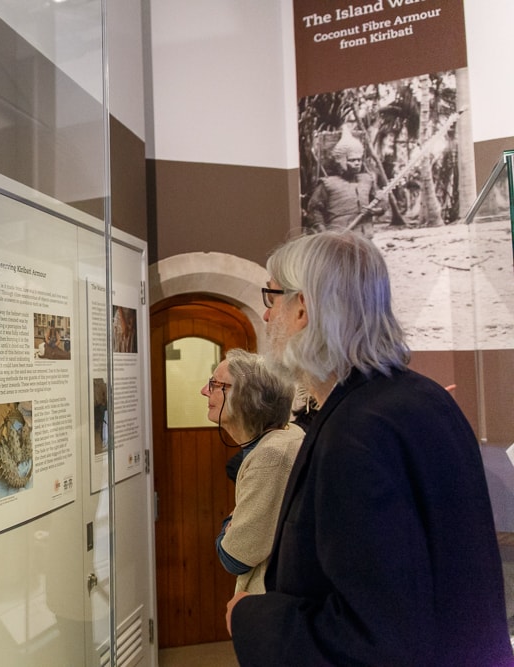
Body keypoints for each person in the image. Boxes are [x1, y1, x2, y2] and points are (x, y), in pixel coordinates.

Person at [228, 230, 513, 665]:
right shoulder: (424, 397)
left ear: (302, 307)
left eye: (272, 298)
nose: (266, 317)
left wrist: (252, 617)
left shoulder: (357, 432)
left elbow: (373, 639)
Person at [206, 349, 304, 594]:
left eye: (214, 384)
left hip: (271, 606)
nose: (204, 391)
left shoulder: (272, 456)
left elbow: (233, 557)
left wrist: (231, 522)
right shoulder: (287, 434)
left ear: (246, 397)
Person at [306, 127, 382, 239]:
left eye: (359, 160)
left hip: (365, 236)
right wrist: (323, 233)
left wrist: (375, 211)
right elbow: (314, 210)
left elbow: (381, 202)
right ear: (341, 161)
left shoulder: (367, 180)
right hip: (339, 237)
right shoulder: (328, 183)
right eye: (352, 160)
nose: (357, 163)